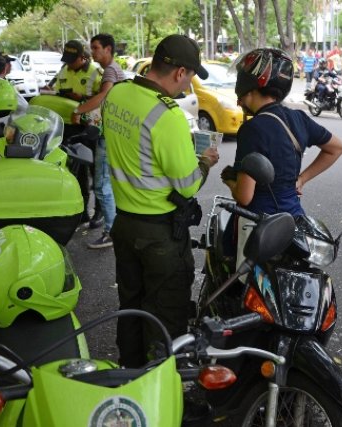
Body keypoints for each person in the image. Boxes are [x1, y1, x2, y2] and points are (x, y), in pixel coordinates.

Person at [103, 34, 219, 368]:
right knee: (166, 315)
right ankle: (164, 391)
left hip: (124, 224)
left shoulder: (118, 93)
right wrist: (205, 162)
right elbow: (186, 187)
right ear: (180, 72)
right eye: (192, 76)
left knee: (132, 307)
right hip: (160, 235)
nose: (189, 84)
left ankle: (131, 374)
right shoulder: (167, 116)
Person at [224, 48, 342, 218]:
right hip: (293, 219)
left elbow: (244, 197)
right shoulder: (299, 118)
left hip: (259, 224)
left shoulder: (252, 129)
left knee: (226, 242)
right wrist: (301, 179)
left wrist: (229, 181)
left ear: (246, 84)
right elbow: (336, 148)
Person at [72, 33, 126, 249]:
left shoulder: (111, 71)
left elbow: (104, 95)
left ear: (108, 49)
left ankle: (111, 231)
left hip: (108, 136)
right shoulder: (110, 69)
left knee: (102, 184)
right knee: (107, 184)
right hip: (111, 132)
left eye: (95, 48)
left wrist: (79, 110)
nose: (92, 52)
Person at [54, 40, 105, 228]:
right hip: (70, 127)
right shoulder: (63, 71)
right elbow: (56, 92)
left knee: (96, 170)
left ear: (82, 57)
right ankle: (82, 211)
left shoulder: (95, 73)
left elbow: (104, 98)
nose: (69, 64)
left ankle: (99, 211)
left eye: (72, 60)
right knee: (76, 171)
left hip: (91, 127)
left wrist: (81, 98)